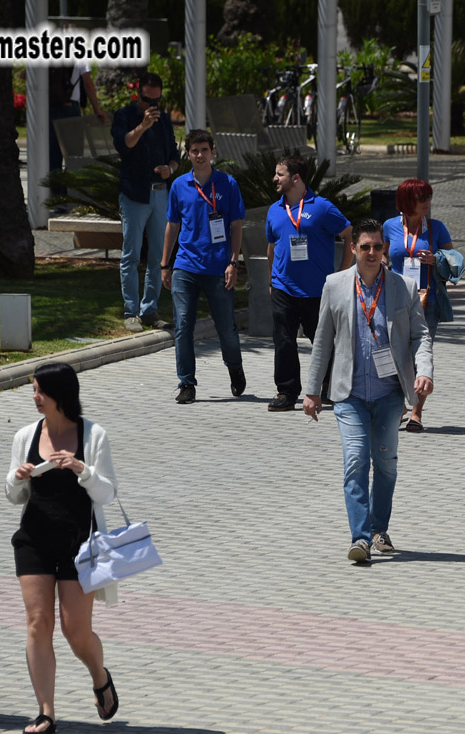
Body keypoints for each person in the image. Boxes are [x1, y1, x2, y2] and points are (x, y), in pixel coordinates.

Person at [303, 219, 435, 562]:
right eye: (365, 247)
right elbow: (322, 342)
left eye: (378, 246)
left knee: (386, 464)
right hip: (349, 395)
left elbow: (420, 335)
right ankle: (360, 538)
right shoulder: (334, 285)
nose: (372, 253)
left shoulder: (403, 288)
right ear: (353, 249)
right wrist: (312, 390)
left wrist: (425, 371)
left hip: (390, 395)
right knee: (356, 461)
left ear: (384, 249)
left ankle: (379, 528)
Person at [5, 363, 119, 734]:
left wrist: (81, 468)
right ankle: (46, 712)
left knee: (76, 631)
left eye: (40, 390)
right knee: (38, 623)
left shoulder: (93, 434)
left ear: (60, 394)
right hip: (34, 540)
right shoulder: (26, 435)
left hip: (80, 544)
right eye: (33, 390)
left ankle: (100, 677)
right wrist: (17, 478)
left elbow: (106, 493)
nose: (34, 397)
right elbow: (12, 496)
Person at [161, 129, 247, 405]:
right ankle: (187, 383)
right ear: (187, 154)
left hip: (219, 267)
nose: (200, 155)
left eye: (204, 150)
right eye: (194, 151)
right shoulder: (179, 186)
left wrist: (234, 260)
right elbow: (172, 225)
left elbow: (236, 225)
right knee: (183, 325)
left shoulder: (227, 184)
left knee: (226, 328)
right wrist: (165, 264)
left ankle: (234, 366)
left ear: (213, 152)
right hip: (186, 265)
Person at [265, 155, 354, 412]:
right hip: (283, 288)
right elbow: (271, 246)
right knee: (284, 342)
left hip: (318, 291)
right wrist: (272, 278)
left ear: (296, 178)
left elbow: (349, 234)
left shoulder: (322, 207)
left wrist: (342, 273)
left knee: (323, 341)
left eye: (279, 174)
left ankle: (329, 388)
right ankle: (286, 391)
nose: (275, 179)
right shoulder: (274, 210)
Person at [381, 178, 452, 431]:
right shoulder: (389, 226)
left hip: (426, 300)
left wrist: (437, 260)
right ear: (406, 201)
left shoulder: (436, 228)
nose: (427, 203)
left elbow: (454, 262)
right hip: (395, 299)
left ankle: (416, 413)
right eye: (421, 199)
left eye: (428, 198)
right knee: (395, 353)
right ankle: (398, 406)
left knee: (421, 354)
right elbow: (382, 257)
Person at [111, 72, 179, 334]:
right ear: (137, 94)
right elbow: (123, 144)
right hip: (134, 194)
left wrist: (170, 169)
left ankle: (149, 309)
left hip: (160, 191)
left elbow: (174, 154)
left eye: (156, 102)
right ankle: (131, 311)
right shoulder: (125, 115)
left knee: (158, 256)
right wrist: (143, 125)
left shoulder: (163, 121)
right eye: (146, 100)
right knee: (131, 254)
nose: (151, 106)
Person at [48, 61, 107, 196]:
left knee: (53, 155)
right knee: (73, 155)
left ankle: (57, 197)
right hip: (70, 108)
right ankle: (70, 195)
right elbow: (87, 82)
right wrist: (97, 109)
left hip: (49, 108)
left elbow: (24, 75)